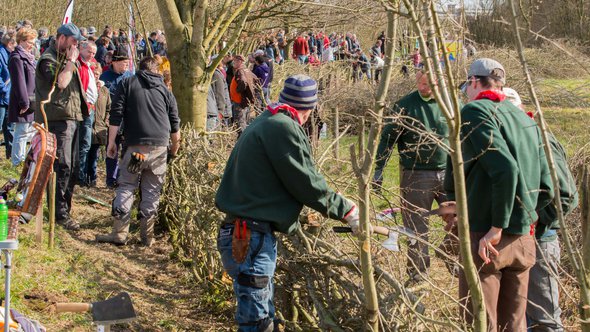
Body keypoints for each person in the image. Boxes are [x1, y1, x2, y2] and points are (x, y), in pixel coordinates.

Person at [216, 74, 360, 332]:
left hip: (244, 233)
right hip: (250, 236)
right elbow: (306, 182)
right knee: (257, 323)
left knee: (260, 318)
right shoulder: (282, 127)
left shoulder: (267, 120)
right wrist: (347, 210)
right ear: (308, 108)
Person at [441, 59, 554, 331]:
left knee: (480, 322)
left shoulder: (475, 111)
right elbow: (546, 184)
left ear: (474, 82)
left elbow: (505, 168)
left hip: (488, 237)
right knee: (514, 324)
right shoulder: (522, 116)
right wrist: (526, 219)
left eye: (467, 85)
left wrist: (496, 227)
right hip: (524, 236)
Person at [502, 88, 578, 331]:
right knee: (518, 315)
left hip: (540, 240)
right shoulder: (510, 140)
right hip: (515, 238)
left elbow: (565, 195)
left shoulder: (540, 140)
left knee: (544, 318)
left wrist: (537, 224)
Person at [374, 70, 449, 285]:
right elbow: (387, 139)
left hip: (448, 173)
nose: (423, 88)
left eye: (428, 84)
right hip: (416, 174)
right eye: (420, 83)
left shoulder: (450, 104)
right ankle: (418, 275)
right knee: (416, 228)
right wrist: (379, 169)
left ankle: (456, 261)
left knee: (460, 220)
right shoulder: (405, 106)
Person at [96, 56, 180, 246]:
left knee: (127, 185)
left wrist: (111, 142)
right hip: (159, 149)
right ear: (156, 70)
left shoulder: (128, 83)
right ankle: (147, 237)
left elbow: (116, 114)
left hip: (137, 150)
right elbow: (175, 122)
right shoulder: (165, 90)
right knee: (152, 190)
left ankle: (119, 233)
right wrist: (174, 147)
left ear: (139, 69)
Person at [35, 23, 88, 231]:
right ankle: (58, 213)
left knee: (73, 166)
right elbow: (62, 83)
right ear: (62, 38)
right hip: (56, 119)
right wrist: (71, 62)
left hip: (72, 118)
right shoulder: (48, 60)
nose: (75, 45)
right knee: (62, 166)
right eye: (73, 41)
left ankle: (65, 207)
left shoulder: (66, 59)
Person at [100, 45, 132, 188]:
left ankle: (122, 177)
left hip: (127, 119)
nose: (126, 66)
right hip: (110, 119)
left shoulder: (131, 77)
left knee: (126, 150)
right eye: (123, 63)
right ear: (114, 62)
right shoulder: (104, 77)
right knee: (111, 148)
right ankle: (110, 179)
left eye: (127, 63)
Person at [8, 27, 37, 167]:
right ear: (22, 41)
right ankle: (17, 163)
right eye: (29, 42)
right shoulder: (16, 57)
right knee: (21, 133)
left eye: (33, 42)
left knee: (29, 133)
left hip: (32, 100)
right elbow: (19, 82)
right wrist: (24, 103)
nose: (32, 45)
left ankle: (25, 161)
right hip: (23, 101)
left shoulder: (30, 57)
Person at [77, 41, 99, 186]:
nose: (91, 55)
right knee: (84, 143)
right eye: (89, 52)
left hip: (90, 108)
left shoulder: (88, 65)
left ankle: (81, 173)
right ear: (81, 49)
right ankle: (79, 175)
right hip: (83, 109)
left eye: (93, 53)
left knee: (87, 143)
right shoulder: (79, 65)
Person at [86, 65, 110, 187]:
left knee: (94, 154)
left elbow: (109, 108)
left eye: (98, 74)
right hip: (87, 126)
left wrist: (106, 121)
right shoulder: (86, 87)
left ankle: (93, 178)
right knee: (85, 152)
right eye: (94, 73)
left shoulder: (104, 90)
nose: (96, 76)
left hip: (99, 127)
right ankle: (84, 177)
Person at [229, 55, 257, 134]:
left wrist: (238, 91)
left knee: (240, 122)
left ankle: (242, 140)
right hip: (244, 100)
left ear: (240, 61)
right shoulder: (246, 70)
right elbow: (256, 79)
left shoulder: (240, 71)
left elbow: (243, 83)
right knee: (245, 121)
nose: (233, 63)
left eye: (234, 61)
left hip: (239, 101)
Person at [0, 30, 15, 159]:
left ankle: (10, 154)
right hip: (2, 96)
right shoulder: (1, 54)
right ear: (10, 43)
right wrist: (4, 89)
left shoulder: (11, 54)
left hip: (9, 96)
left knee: (9, 127)